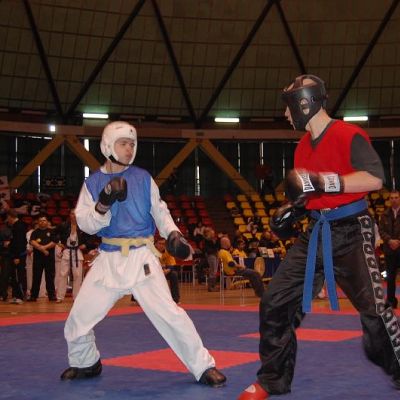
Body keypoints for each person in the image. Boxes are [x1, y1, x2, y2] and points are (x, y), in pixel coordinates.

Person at [238, 75, 400, 399]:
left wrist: (326, 182)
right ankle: (272, 380)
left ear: (304, 102)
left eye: (288, 108)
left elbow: (374, 178)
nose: (286, 115)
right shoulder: (302, 148)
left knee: (375, 313)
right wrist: (293, 212)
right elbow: (309, 195)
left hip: (352, 231)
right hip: (316, 232)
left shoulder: (348, 134)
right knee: (275, 302)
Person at [60, 121, 226, 388]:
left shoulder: (143, 178)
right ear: (107, 146)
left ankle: (203, 366)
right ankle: (86, 362)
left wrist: (173, 235)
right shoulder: (92, 183)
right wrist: (103, 203)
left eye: (132, 144)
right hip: (108, 258)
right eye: (123, 144)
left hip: (142, 257)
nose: (129, 149)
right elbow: (85, 224)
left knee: (170, 315)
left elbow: (161, 211)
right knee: (78, 318)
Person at [56, 209, 88, 303]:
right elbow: (54, 234)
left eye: (75, 214)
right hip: (67, 251)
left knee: (77, 275)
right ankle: (60, 297)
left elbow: (90, 237)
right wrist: (58, 242)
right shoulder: (63, 225)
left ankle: (76, 297)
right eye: (72, 214)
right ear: (69, 215)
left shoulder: (82, 226)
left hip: (77, 251)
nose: (74, 215)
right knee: (63, 274)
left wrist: (85, 245)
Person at [379, 190, 400, 309]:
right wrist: (390, 241)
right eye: (392, 198)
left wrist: (398, 241)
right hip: (389, 250)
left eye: (396, 197)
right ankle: (391, 301)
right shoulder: (384, 214)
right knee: (390, 277)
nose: (394, 199)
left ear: (399, 199)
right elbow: (381, 230)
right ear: (389, 200)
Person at [28, 215, 57, 302]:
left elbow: (54, 242)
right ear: (38, 222)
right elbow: (32, 242)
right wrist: (43, 250)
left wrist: (44, 248)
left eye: (44, 220)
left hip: (49, 258)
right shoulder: (35, 232)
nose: (42, 222)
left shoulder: (52, 231)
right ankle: (33, 296)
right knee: (36, 277)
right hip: (38, 258)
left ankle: (51, 295)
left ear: (47, 222)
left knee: (50, 277)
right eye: (40, 221)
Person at [154, 236, 180, 303]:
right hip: (154, 272)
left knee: (174, 274)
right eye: (160, 243)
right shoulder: (151, 252)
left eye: (163, 244)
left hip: (164, 271)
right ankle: (137, 298)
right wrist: (159, 270)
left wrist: (168, 270)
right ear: (155, 244)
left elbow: (172, 264)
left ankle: (175, 299)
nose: (162, 245)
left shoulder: (168, 251)